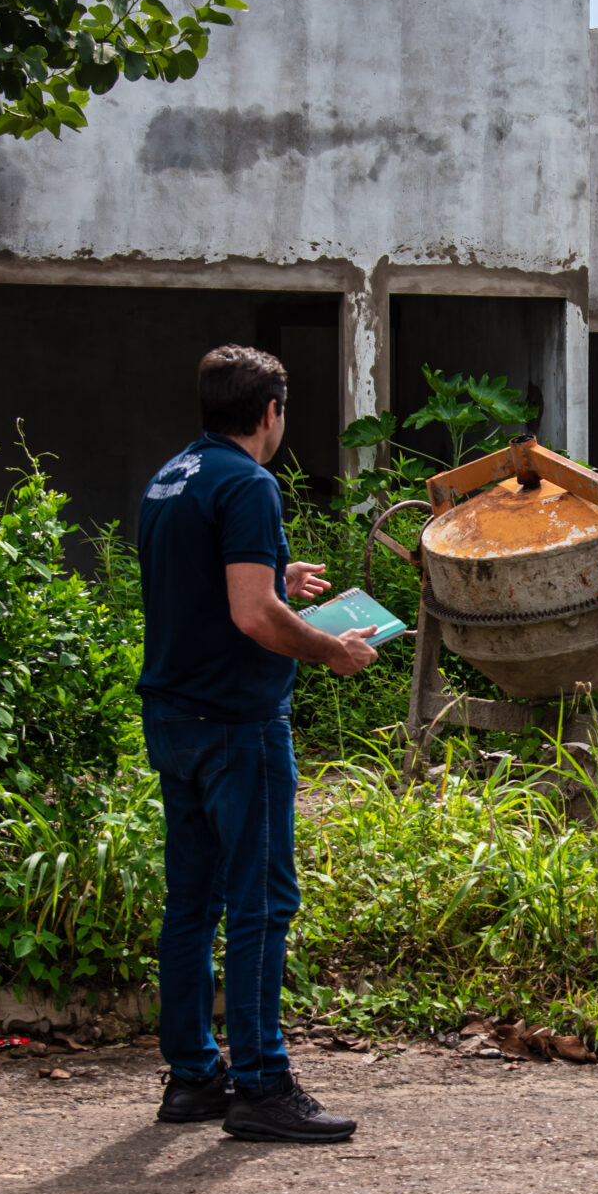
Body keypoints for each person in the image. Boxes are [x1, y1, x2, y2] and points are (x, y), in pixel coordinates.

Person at [136, 345, 381, 1143]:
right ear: (271, 410)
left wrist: (281, 577)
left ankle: (193, 1077)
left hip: (174, 718)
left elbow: (212, 585)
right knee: (261, 903)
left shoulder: (172, 476)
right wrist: (330, 649)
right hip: (237, 723)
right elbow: (249, 615)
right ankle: (262, 1081)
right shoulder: (250, 483)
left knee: (191, 905)